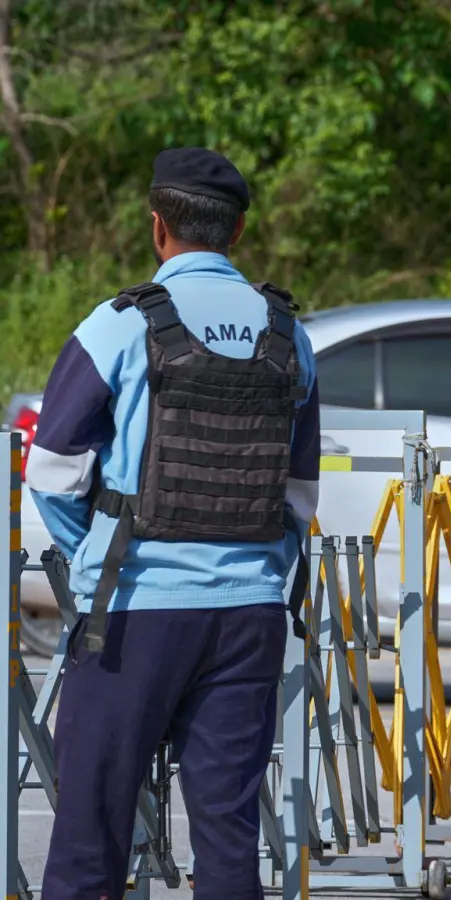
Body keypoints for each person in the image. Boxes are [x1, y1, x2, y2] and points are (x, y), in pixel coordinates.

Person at [28, 147, 320, 899]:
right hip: (249, 615)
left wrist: (92, 552)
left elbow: (52, 469)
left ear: (157, 227)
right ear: (240, 230)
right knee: (227, 836)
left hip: (131, 616)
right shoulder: (289, 332)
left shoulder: (119, 325)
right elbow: (299, 495)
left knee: (92, 833)